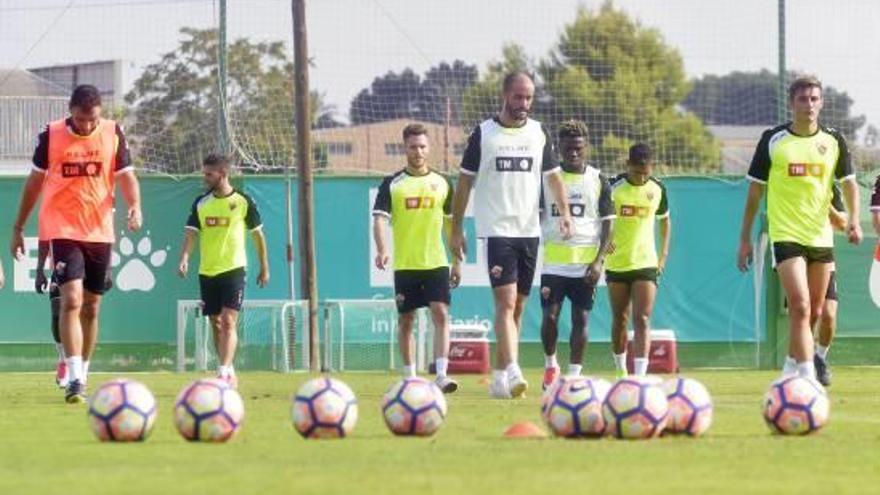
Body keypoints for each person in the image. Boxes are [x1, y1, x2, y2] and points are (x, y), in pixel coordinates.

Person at [10, 84, 142, 403]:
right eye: (81, 119)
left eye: (92, 119)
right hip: (62, 227)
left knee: (92, 306)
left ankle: (83, 367)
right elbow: (34, 182)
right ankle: (75, 380)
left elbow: (126, 176)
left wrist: (136, 206)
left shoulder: (113, 132)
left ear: (100, 113)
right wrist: (18, 226)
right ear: (71, 111)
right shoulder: (51, 134)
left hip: (100, 230)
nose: (86, 126)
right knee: (71, 299)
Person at [450, 71, 573, 399]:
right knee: (504, 303)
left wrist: (563, 214)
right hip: (497, 231)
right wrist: (456, 227)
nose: (524, 104)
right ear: (505, 95)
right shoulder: (484, 134)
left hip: (529, 231)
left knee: (517, 308)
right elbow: (464, 183)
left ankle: (500, 377)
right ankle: (516, 369)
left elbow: (554, 178)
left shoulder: (537, 133)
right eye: (518, 97)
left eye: (529, 98)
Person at [738, 75, 861, 382]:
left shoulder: (833, 141)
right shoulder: (773, 139)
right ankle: (808, 379)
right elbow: (754, 193)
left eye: (814, 99)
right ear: (791, 103)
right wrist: (745, 239)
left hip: (820, 236)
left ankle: (789, 371)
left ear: (821, 103)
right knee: (801, 305)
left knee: (817, 312)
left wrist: (854, 221)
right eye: (803, 99)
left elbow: (849, 185)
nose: (809, 104)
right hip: (786, 235)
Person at [372, 123, 462, 393]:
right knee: (406, 320)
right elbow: (379, 219)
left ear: (429, 147)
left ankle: (442, 375)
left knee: (441, 313)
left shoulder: (443, 183)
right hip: (406, 265)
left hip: (435, 262)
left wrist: (457, 261)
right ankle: (411, 376)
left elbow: (452, 226)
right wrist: (382, 248)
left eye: (422, 146)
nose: (418, 151)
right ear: (405, 148)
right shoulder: (392, 184)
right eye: (413, 147)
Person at [178, 154, 270, 389]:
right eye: (204, 173)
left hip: (234, 269)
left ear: (223, 174)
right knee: (216, 323)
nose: (205, 177)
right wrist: (185, 259)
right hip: (207, 271)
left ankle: (222, 373)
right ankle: (228, 368)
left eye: (209, 174)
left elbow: (258, 235)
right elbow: (191, 234)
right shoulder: (201, 203)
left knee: (229, 321)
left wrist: (264, 267)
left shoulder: (243, 201)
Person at [539, 120, 614, 389]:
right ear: (560, 148)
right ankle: (551, 366)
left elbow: (608, 223)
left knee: (580, 319)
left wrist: (598, 261)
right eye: (568, 148)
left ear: (586, 148)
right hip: (554, 264)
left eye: (578, 149)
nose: (573, 153)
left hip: (585, 264)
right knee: (549, 317)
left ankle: (573, 375)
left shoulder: (597, 179)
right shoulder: (548, 179)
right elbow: (535, 214)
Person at [605, 144, 670, 378]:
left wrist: (662, 257)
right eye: (637, 171)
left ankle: (640, 376)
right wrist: (603, 244)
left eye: (646, 171)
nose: (642, 176)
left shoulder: (658, 189)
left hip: (646, 263)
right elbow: (598, 219)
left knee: (642, 317)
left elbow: (665, 222)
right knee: (620, 318)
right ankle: (621, 371)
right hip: (617, 263)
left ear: (651, 166)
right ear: (628, 165)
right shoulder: (613, 187)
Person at [36, 240, 113, 389]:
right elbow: (45, 235)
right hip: (66, 254)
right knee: (58, 309)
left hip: (92, 259)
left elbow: (107, 232)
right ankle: (64, 357)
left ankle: (80, 372)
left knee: (87, 311)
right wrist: (39, 269)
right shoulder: (54, 216)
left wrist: (108, 269)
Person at [814, 186, 847, 386]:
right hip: (794, 251)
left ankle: (819, 358)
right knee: (806, 312)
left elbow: (841, 223)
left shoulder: (829, 185)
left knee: (829, 314)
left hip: (823, 253)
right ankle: (800, 364)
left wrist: (824, 202)